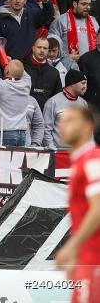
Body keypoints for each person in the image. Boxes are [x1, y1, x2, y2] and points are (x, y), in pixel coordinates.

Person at [53, 106, 100, 300]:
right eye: (62, 121)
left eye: (71, 120)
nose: (63, 125)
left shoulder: (92, 159)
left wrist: (72, 246)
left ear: (88, 127)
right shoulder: (81, 161)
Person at [43, 70, 88, 149]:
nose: (85, 86)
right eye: (83, 83)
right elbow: (46, 129)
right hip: (59, 153)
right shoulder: (53, 102)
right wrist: (52, 149)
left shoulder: (84, 103)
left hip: (78, 153)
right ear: (73, 84)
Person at [24, 36, 63, 111]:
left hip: (45, 116)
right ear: (33, 48)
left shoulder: (54, 73)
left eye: (45, 48)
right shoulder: (22, 68)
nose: (42, 50)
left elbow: (58, 98)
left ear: (48, 50)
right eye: (39, 47)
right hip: (23, 114)